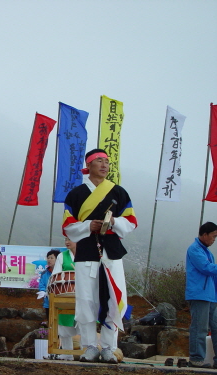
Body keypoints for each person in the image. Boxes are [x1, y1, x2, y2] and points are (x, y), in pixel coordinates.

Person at [62, 149, 137, 363]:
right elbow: (68, 226)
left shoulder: (119, 192)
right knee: (86, 300)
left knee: (113, 297)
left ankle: (109, 347)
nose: (104, 165)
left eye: (107, 161)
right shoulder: (76, 194)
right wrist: (88, 225)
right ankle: (89, 346)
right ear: (89, 165)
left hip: (111, 251)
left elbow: (131, 221)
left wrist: (113, 222)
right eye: (99, 161)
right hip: (86, 250)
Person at [185, 222, 217, 368]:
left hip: (211, 296)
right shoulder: (194, 249)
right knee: (200, 327)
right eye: (213, 236)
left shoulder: (207, 252)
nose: (214, 239)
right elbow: (206, 268)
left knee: (215, 326)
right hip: (199, 295)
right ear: (204, 235)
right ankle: (196, 359)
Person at [51, 237, 78, 360]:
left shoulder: (86, 253)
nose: (67, 242)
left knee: (86, 322)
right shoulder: (62, 256)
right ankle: (68, 353)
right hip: (66, 293)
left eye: (70, 239)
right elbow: (55, 275)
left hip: (83, 293)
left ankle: (87, 351)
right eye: (65, 239)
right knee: (63, 323)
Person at [37, 249, 60, 325]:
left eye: (51, 258)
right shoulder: (44, 273)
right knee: (51, 323)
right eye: (48, 258)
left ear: (57, 259)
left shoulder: (61, 272)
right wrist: (43, 292)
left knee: (60, 324)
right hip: (48, 302)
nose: (49, 260)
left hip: (60, 302)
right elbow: (41, 284)